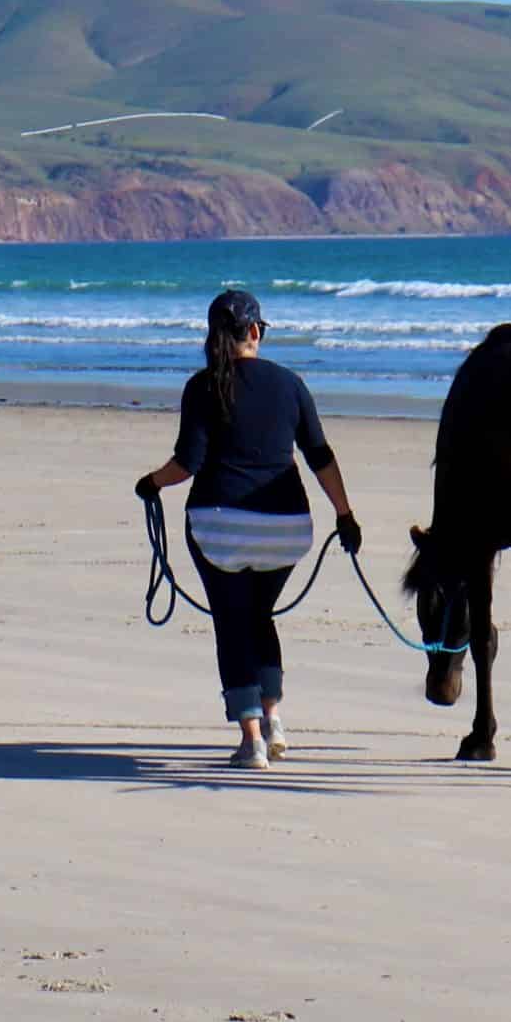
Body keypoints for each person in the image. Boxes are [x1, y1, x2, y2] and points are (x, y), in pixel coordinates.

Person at [134, 289, 361, 769]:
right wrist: (344, 515)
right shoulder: (291, 383)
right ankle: (275, 720)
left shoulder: (202, 387)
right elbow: (319, 456)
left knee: (233, 622)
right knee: (260, 615)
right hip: (287, 529)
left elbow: (187, 465)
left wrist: (150, 484)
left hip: (220, 529)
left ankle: (251, 739)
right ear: (255, 332)